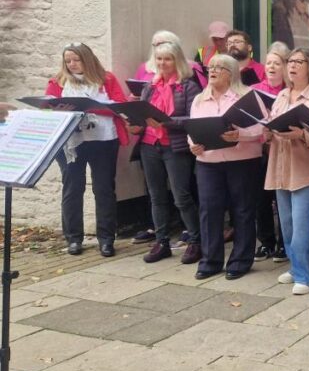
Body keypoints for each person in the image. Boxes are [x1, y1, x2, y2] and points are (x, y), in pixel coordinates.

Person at [265, 47, 309, 295]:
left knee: (304, 224)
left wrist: (302, 134)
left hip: (307, 167)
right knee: (287, 224)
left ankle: (307, 275)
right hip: (281, 166)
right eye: (290, 61)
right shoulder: (282, 95)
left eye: (299, 61)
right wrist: (267, 131)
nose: (292, 65)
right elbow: (273, 123)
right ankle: (296, 268)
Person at [47, 43, 129, 257]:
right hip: (71, 141)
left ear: (87, 59)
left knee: (103, 189)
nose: (72, 64)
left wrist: (92, 107)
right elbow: (48, 109)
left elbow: (120, 106)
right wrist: (60, 110)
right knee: (73, 188)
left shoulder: (106, 79)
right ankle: (74, 238)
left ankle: (106, 238)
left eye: (76, 60)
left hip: (102, 138)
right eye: (68, 61)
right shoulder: (58, 81)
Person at [189, 54, 265, 280]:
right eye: (210, 67)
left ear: (231, 73)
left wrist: (241, 134)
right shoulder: (199, 99)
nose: (213, 71)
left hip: (242, 161)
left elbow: (263, 129)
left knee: (242, 210)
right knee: (209, 211)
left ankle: (241, 261)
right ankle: (210, 261)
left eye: (219, 68)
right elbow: (192, 129)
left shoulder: (248, 96)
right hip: (208, 162)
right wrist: (193, 145)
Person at [135, 41, 203, 264]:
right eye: (159, 59)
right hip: (149, 145)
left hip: (175, 147)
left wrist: (166, 123)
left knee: (181, 196)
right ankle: (162, 241)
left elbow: (194, 118)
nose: (163, 63)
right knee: (156, 196)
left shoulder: (188, 86)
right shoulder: (150, 86)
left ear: (177, 61)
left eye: (168, 58)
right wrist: (135, 122)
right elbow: (143, 114)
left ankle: (195, 241)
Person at [252, 42, 291, 262]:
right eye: (268, 63)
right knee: (261, 198)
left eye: (276, 63)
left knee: (283, 196)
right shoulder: (255, 89)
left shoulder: (289, 91)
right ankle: (266, 241)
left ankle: (285, 243)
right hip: (260, 148)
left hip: (282, 148)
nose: (271, 67)